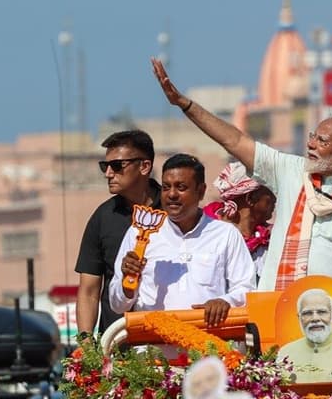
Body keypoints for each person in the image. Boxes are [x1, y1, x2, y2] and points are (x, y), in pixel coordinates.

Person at [151, 57, 332, 293]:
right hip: (279, 310)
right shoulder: (291, 171)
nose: (310, 144)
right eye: (312, 136)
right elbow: (235, 140)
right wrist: (185, 104)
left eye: (321, 141)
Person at [108, 154, 256, 326]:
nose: (171, 194)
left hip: (209, 346)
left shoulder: (225, 234)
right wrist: (127, 284)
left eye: (181, 187)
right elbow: (117, 305)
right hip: (152, 347)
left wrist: (225, 302)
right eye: (166, 187)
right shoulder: (139, 233)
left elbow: (247, 289)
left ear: (200, 191)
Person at [74, 130, 161, 338]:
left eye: (117, 166)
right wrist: (86, 345)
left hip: (171, 341)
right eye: (105, 166)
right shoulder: (102, 217)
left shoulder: (174, 211)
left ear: (144, 166)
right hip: (117, 343)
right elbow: (89, 291)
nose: (108, 173)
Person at [204, 161, 276, 282]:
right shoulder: (209, 236)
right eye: (271, 194)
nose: (275, 199)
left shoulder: (269, 239)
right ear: (251, 199)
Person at [277, 289, 332, 383]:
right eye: (307, 313)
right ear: (299, 318)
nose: (315, 318)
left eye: (322, 312)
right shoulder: (284, 353)